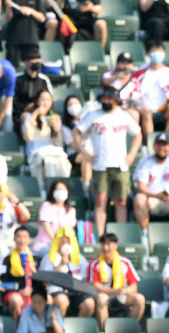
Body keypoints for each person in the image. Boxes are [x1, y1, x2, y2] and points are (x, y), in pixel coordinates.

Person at [72, 83, 142, 236]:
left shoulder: (124, 116)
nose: (107, 101)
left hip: (120, 165)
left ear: (116, 100)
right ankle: (101, 235)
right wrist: (84, 152)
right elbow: (76, 131)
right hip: (100, 165)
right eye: (104, 98)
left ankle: (120, 234)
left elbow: (137, 134)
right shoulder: (93, 115)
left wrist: (131, 155)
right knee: (100, 201)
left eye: (110, 99)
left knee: (121, 202)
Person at [132, 132, 169, 239]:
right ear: (154, 146)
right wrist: (156, 195)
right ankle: (145, 233)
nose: (161, 148)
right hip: (152, 199)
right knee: (139, 199)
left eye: (164, 145)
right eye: (159, 144)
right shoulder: (145, 161)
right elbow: (141, 187)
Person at [82, 232, 145, 331]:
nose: (105, 248)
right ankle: (105, 331)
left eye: (108, 244)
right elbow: (95, 286)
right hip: (104, 295)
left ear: (115, 245)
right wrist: (114, 291)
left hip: (122, 295)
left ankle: (128, 330)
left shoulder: (125, 262)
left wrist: (124, 291)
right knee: (102, 299)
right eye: (103, 244)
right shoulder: (94, 263)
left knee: (140, 299)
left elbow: (134, 286)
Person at [138, 40, 169, 137]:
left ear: (164, 53)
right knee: (146, 112)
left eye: (160, 51)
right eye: (154, 51)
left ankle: (168, 141)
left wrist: (168, 105)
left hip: (163, 110)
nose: (157, 54)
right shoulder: (139, 73)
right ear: (148, 54)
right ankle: (149, 142)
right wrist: (141, 107)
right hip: (145, 109)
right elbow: (135, 95)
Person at [11, 44, 53, 135]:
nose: (37, 62)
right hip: (19, 115)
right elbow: (11, 101)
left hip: (42, 114)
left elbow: (50, 103)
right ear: (26, 62)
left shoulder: (44, 80)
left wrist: (51, 114)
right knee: (25, 118)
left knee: (55, 120)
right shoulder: (17, 79)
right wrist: (24, 107)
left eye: (39, 59)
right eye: (34, 60)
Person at [32, 179, 76, 255]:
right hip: (44, 245)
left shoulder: (71, 210)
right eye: (58, 189)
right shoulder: (46, 206)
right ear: (53, 192)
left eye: (63, 189)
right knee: (55, 255)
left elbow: (69, 231)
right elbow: (47, 227)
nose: (60, 191)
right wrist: (57, 244)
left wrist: (63, 246)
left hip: (64, 246)